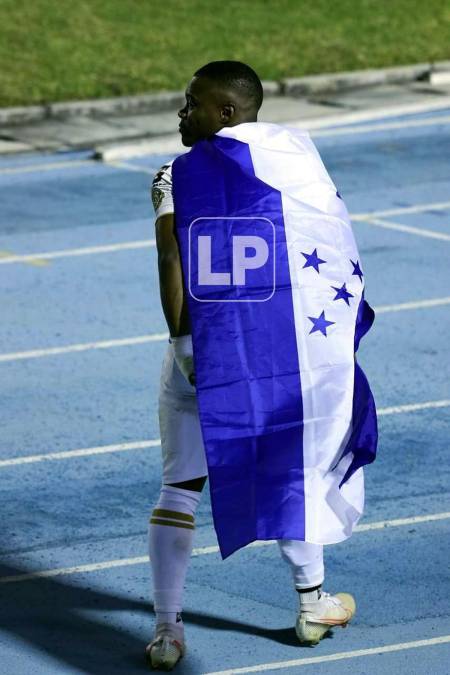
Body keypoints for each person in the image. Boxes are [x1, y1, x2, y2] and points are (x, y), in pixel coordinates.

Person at [147, 61, 376, 671]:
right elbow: (330, 247)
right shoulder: (299, 160)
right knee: (288, 464)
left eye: (192, 102)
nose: (181, 111)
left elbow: (172, 254)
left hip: (199, 350)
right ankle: (312, 603)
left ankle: (168, 630)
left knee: (179, 487)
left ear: (225, 112)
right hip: (276, 355)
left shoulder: (175, 174)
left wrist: (182, 344)